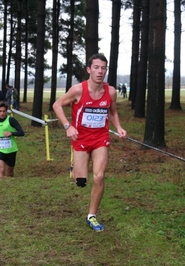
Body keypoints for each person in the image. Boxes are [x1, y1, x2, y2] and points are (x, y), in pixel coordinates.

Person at [52, 53, 127, 232]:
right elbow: (57, 105)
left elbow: (113, 112)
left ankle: (91, 216)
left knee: (99, 176)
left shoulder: (111, 92)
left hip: (101, 138)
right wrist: (67, 126)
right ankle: (76, 169)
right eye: (96, 67)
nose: (100, 71)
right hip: (80, 138)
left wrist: (118, 127)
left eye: (103, 68)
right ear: (89, 69)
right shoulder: (78, 90)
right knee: (81, 180)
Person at [0, 101, 25, 177]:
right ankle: (0, 187)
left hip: (11, 149)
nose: (2, 113)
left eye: (4, 111)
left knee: (9, 172)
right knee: (1, 170)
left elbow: (21, 132)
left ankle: (8, 186)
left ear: (6, 111)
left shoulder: (11, 120)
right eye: (0, 111)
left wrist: (12, 133)